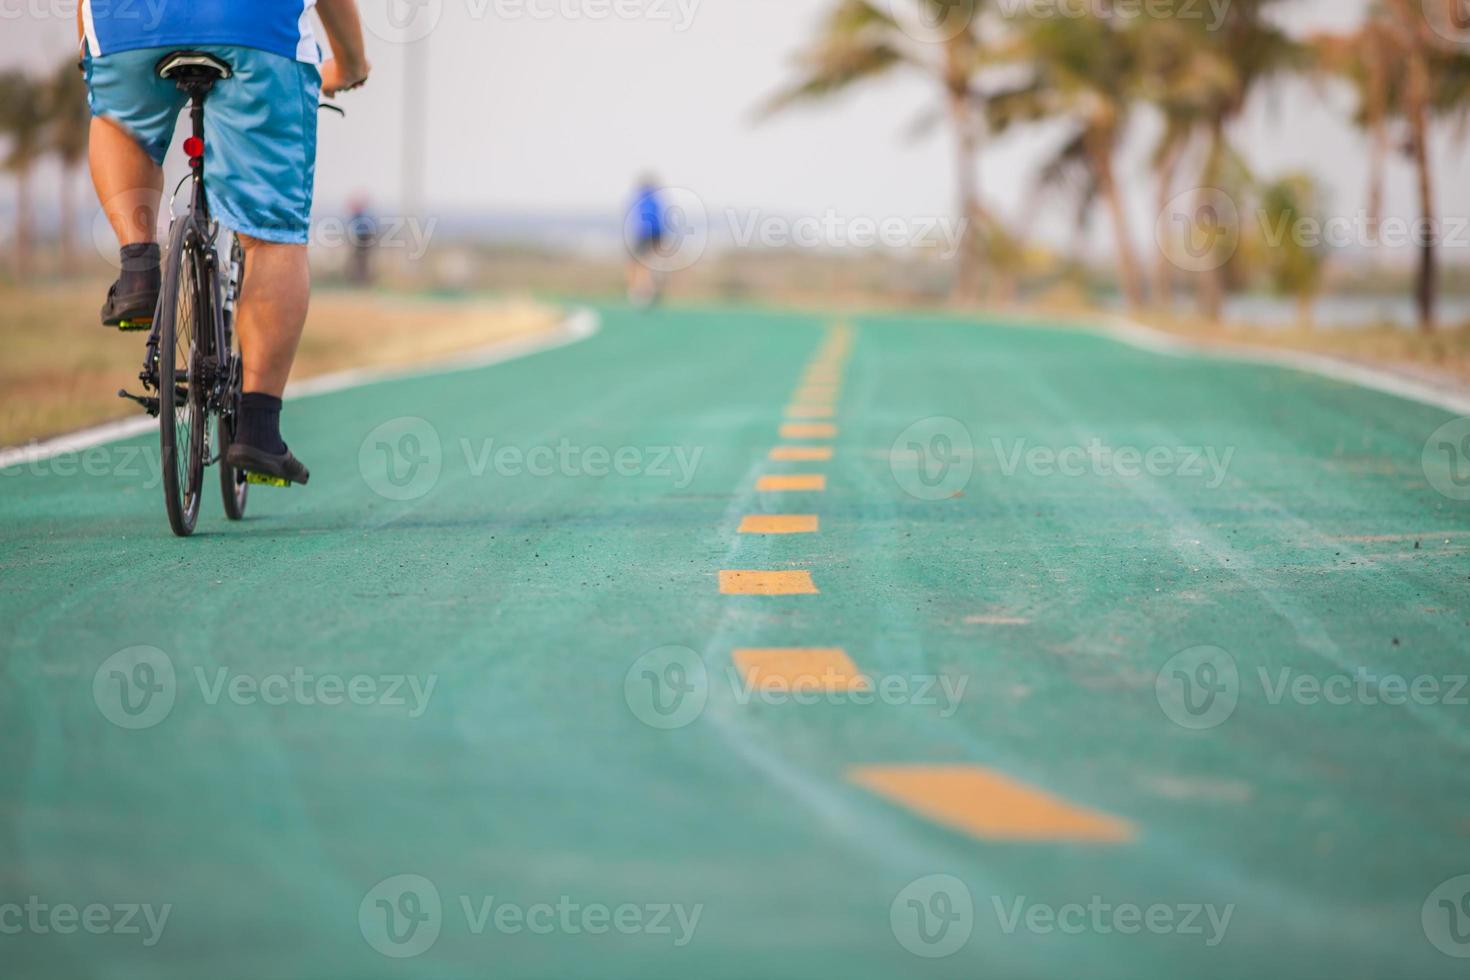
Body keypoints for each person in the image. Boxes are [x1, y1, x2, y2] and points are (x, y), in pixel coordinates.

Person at [80, 0, 371, 485]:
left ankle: (137, 269)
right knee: (272, 236)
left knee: (117, 123)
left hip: (127, 21)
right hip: (254, 26)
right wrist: (352, 64)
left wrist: (95, 51)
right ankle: (257, 431)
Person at [625, 174, 667, 307]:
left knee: (638, 263)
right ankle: (649, 289)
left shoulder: (641, 198)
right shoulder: (656, 199)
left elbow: (639, 218)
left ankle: (640, 292)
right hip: (656, 234)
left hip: (644, 233)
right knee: (649, 263)